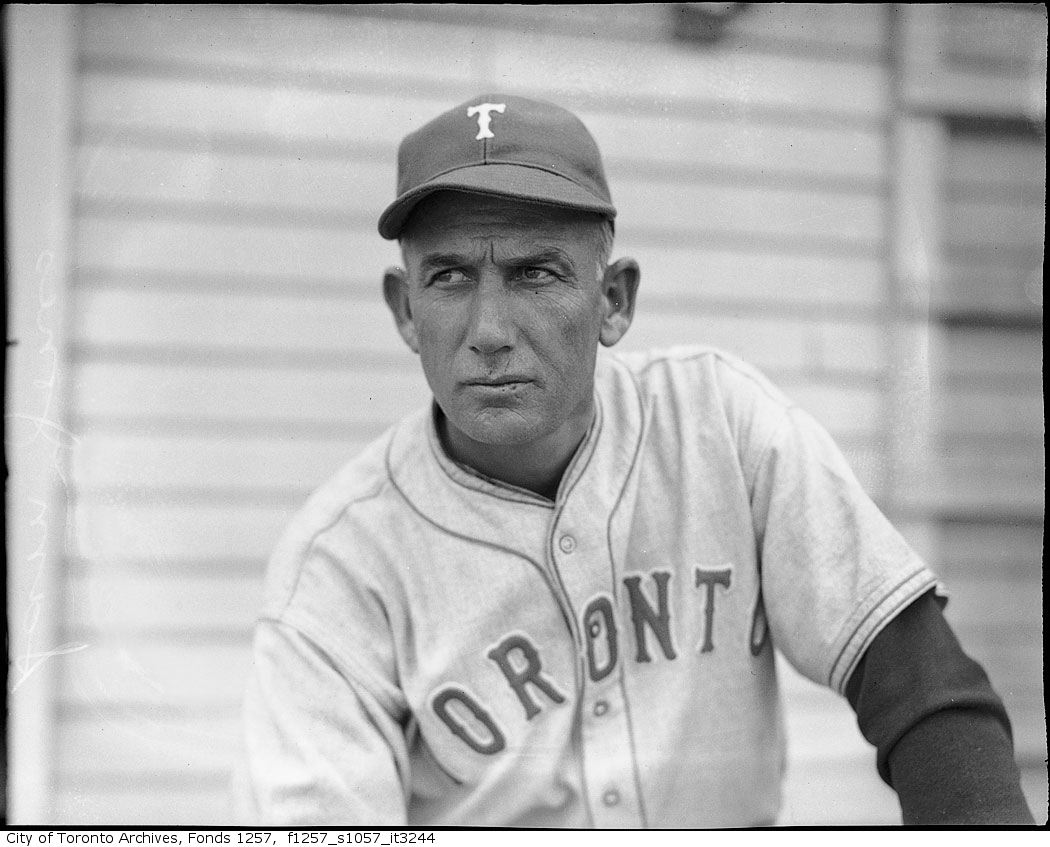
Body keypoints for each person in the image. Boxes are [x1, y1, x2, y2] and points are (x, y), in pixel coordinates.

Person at [238, 94, 1035, 827]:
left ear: (613, 298)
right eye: (449, 278)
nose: (488, 328)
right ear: (406, 310)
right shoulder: (337, 567)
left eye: (534, 273)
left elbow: (927, 690)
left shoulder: (718, 423)